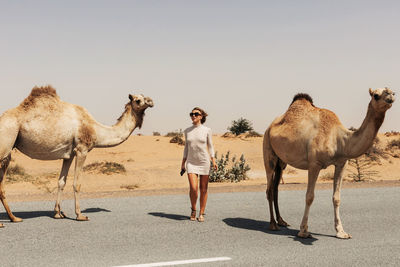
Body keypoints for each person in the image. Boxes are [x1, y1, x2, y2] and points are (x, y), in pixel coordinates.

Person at [181, 107, 217, 222]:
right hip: (191, 162)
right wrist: (183, 163)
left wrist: (213, 159)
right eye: (191, 114)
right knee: (193, 188)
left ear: (201, 116)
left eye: (196, 114)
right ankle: (193, 209)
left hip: (204, 161)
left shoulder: (207, 130)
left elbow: (210, 146)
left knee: (204, 189)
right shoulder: (187, 131)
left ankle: (201, 212)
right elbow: (186, 147)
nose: (193, 116)